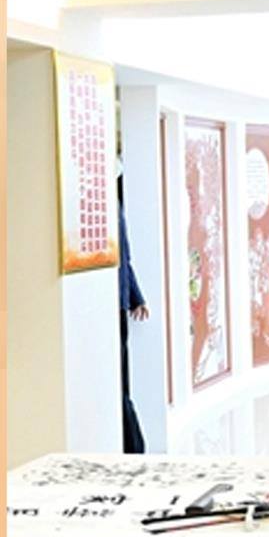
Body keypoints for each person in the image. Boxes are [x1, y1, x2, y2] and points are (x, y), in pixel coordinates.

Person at [117, 189, 148, 454]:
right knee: (119, 381)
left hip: (119, 304)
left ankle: (133, 446)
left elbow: (123, 258)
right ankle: (132, 445)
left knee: (121, 380)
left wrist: (136, 296)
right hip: (112, 304)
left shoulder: (113, 203)